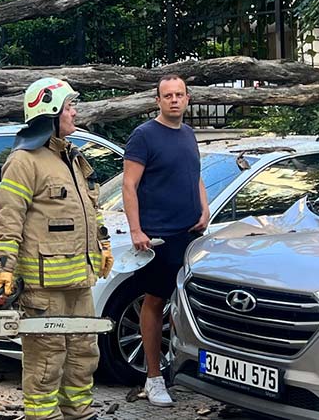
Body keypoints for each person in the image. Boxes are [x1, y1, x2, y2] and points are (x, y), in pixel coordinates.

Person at [0, 77, 114, 420]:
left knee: (83, 358)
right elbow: (9, 217)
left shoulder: (73, 160)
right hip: (44, 290)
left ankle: (80, 414)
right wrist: (5, 266)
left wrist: (103, 246)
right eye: (69, 107)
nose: (75, 112)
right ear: (50, 113)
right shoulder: (24, 161)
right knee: (46, 363)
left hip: (80, 284)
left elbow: (91, 210)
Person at [121, 74, 209, 407]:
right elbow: (129, 186)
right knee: (155, 302)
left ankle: (182, 370)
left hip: (191, 235)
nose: (174, 100)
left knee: (185, 306)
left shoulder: (188, 133)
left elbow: (195, 174)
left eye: (179, 95)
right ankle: (153, 377)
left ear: (188, 99)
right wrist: (136, 230)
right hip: (158, 237)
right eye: (167, 95)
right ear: (157, 101)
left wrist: (204, 206)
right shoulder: (144, 136)